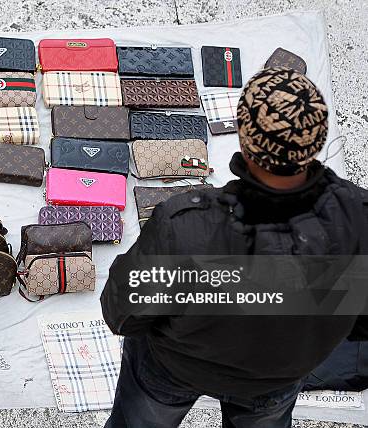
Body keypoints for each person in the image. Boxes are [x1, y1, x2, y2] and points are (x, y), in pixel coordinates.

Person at [100, 67, 368, 428]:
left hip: (174, 367)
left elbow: (122, 311)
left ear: (243, 138)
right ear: (316, 143)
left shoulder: (184, 227)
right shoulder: (358, 218)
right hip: (279, 374)